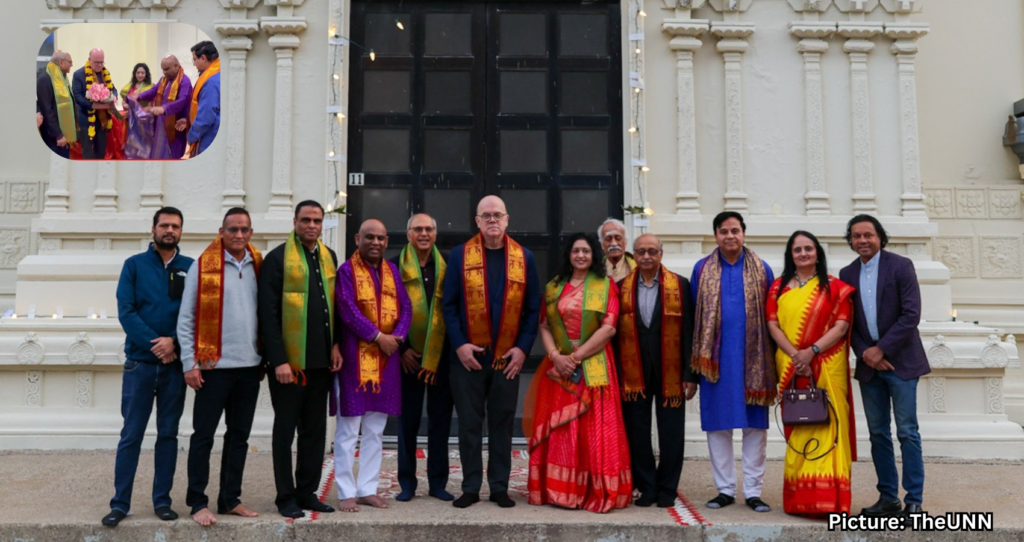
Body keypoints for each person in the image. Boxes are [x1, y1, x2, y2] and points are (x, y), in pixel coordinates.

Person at [441, 195, 542, 509]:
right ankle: (471, 486)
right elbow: (450, 306)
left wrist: (523, 350)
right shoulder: (459, 256)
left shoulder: (524, 258)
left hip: (506, 359)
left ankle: (499, 486)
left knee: (501, 423)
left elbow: (532, 309)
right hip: (468, 359)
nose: (492, 221)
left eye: (497, 215)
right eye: (486, 216)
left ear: (508, 219)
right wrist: (459, 345)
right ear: (477, 221)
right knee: (469, 423)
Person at [525, 232, 631, 513]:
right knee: (561, 426)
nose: (581, 256)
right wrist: (556, 357)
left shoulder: (604, 284)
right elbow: (545, 326)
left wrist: (575, 357)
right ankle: (560, 490)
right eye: (575, 251)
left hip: (594, 362)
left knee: (593, 427)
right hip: (558, 366)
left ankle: (592, 489)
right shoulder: (554, 287)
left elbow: (608, 327)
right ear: (568, 255)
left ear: (593, 255)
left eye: (585, 251)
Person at [103, 207, 194, 527]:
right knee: (131, 435)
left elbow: (195, 316)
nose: (170, 230)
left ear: (182, 231)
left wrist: (175, 343)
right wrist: (159, 346)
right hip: (140, 365)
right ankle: (120, 503)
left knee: (168, 434)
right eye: (165, 225)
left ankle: (162, 501)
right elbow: (126, 312)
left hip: (174, 368)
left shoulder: (190, 268)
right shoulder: (134, 266)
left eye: (176, 226)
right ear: (154, 229)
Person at [176, 208, 263, 526]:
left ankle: (230, 498)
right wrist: (190, 363)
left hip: (249, 367)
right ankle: (197, 502)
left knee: (239, 436)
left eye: (244, 229)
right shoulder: (203, 266)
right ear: (221, 231)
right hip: (212, 367)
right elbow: (186, 319)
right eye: (233, 229)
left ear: (250, 232)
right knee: (203, 436)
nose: (239, 235)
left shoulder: (258, 264)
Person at [839, 215, 929, 519]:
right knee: (878, 433)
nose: (862, 240)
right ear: (850, 241)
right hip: (869, 367)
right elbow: (847, 322)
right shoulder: (846, 273)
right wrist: (867, 352)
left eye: (868, 235)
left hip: (901, 362)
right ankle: (888, 497)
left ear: (880, 237)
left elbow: (911, 314)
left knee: (907, 432)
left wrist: (882, 349)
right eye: (856, 236)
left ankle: (913, 500)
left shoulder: (901, 266)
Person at [258, 200, 341, 519]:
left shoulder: (328, 257)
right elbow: (268, 314)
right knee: (285, 431)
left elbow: (331, 308)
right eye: (306, 219)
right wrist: (277, 359)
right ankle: (285, 496)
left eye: (317, 220)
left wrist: (335, 345)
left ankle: (307, 491)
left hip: (320, 362)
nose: (311, 225)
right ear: (295, 222)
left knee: (314, 431)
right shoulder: (277, 259)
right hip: (288, 365)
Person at [690, 211, 776, 513]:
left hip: (755, 363)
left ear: (743, 233)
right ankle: (725, 490)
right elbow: (693, 321)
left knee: (755, 429)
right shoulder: (701, 270)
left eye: (735, 230)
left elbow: (774, 318)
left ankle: (753, 491)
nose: (730, 236)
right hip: (715, 364)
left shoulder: (762, 269)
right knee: (718, 427)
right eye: (724, 231)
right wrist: (690, 372)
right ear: (716, 235)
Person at [766, 231, 856, 516]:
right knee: (800, 424)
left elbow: (841, 327)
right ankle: (800, 500)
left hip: (827, 363)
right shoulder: (778, 287)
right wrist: (796, 355)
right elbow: (772, 325)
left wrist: (812, 351)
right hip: (790, 365)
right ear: (790, 255)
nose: (803, 254)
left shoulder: (835, 287)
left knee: (829, 425)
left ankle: (831, 500)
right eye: (797, 250)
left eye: (808, 248)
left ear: (818, 252)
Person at [333, 219, 412, 512]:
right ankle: (345, 490)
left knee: (376, 429)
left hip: (386, 361)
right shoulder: (346, 271)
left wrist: (398, 337)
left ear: (387, 241)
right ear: (357, 238)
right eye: (369, 237)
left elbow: (406, 307)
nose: (375, 242)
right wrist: (379, 336)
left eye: (380, 237)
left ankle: (367, 487)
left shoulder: (392, 271)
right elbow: (347, 310)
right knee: (348, 429)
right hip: (354, 360)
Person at [617, 233, 698, 508]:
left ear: (661, 254)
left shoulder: (681, 285)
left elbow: (689, 333)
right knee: (637, 433)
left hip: (671, 372)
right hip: (634, 371)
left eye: (652, 251)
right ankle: (647, 486)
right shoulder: (620, 287)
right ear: (634, 255)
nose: (647, 256)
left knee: (671, 433)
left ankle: (667, 489)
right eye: (641, 251)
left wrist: (690, 375)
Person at [389, 214, 455, 503]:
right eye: (418, 229)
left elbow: (457, 307)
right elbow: (385, 310)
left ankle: (438, 483)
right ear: (408, 234)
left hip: (441, 356)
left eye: (429, 228)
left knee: (440, 422)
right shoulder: (392, 265)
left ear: (436, 234)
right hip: (408, 358)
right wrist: (401, 350)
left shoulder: (449, 265)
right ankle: (407, 483)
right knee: (407, 423)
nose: (424, 233)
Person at [138, 55, 193, 159]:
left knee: (173, 156)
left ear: (176, 66)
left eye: (167, 69)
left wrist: (164, 108)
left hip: (175, 128)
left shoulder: (184, 81)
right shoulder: (164, 80)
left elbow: (182, 101)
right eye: (163, 70)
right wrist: (139, 97)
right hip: (161, 124)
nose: (164, 72)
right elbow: (153, 91)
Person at [72, 48, 117, 159]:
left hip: (103, 120)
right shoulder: (79, 74)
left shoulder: (105, 73)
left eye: (102, 62)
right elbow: (77, 96)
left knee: (101, 151)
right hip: (86, 120)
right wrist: (92, 105)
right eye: (96, 62)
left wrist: (114, 96)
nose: (99, 65)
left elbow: (113, 88)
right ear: (89, 60)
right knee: (88, 152)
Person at [36, 50, 76, 158]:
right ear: (61, 62)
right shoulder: (45, 79)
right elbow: (47, 110)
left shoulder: (62, 79)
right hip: (54, 137)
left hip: (64, 133)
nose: (72, 64)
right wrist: (58, 135)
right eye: (70, 62)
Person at [187, 41, 220, 157]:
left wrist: (191, 135)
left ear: (203, 58)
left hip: (209, 136)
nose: (194, 64)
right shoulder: (219, 72)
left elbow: (206, 116)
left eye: (194, 59)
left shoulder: (210, 81)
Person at [598, 219, 636, 283]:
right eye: (608, 239)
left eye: (618, 238)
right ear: (602, 244)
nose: (614, 243)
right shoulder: (595, 269)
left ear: (625, 242)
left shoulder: (637, 267)